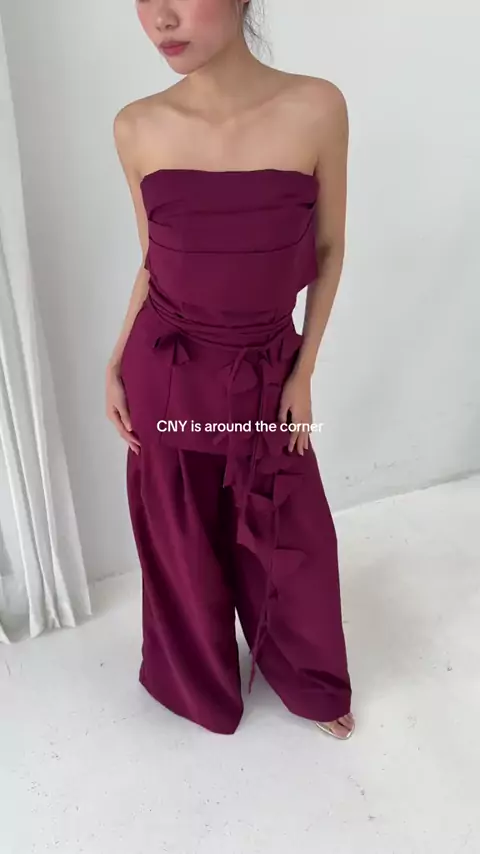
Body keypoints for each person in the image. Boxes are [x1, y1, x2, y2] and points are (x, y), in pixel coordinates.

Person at [105, 0, 355, 740]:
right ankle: (199, 684)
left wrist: (303, 372)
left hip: (266, 370)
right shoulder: (136, 126)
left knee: (291, 531)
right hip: (166, 371)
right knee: (180, 537)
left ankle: (308, 677)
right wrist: (115, 362)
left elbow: (331, 248)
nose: (161, 18)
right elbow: (153, 260)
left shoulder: (316, 107)